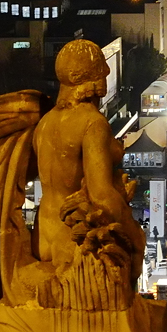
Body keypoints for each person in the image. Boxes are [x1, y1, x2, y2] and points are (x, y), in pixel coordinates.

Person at [33, 39, 145, 281]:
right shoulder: (91, 123)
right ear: (98, 79)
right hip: (75, 241)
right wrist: (134, 234)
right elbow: (100, 193)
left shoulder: (45, 123)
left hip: (42, 235)